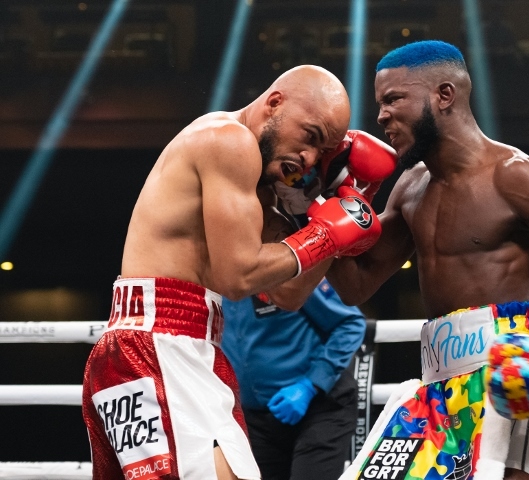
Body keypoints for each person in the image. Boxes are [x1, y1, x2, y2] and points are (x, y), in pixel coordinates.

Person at [326, 41, 529, 480]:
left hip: (511, 380)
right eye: (380, 104)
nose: (381, 116)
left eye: (394, 99)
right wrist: (317, 207)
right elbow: (356, 284)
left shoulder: (518, 176)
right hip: (436, 389)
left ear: (444, 95)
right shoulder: (410, 187)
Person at [81, 65, 385, 480]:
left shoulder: (259, 187)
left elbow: (287, 294)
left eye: (324, 151)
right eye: (310, 136)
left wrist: (336, 208)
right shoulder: (229, 140)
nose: (311, 158)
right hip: (160, 346)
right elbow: (237, 278)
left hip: (174, 345)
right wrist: (326, 235)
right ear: (275, 102)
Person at [221, 279, 366, 480]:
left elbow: (350, 324)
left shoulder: (286, 272)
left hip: (320, 407)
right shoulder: (210, 283)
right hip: (255, 419)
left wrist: (310, 385)